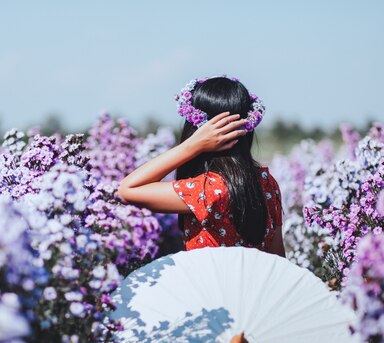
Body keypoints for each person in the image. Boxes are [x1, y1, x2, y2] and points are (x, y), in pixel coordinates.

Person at [117, 75, 285, 257]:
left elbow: (127, 189)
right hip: (257, 284)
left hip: (209, 285)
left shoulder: (209, 189)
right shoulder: (267, 182)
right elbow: (278, 260)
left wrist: (192, 145)